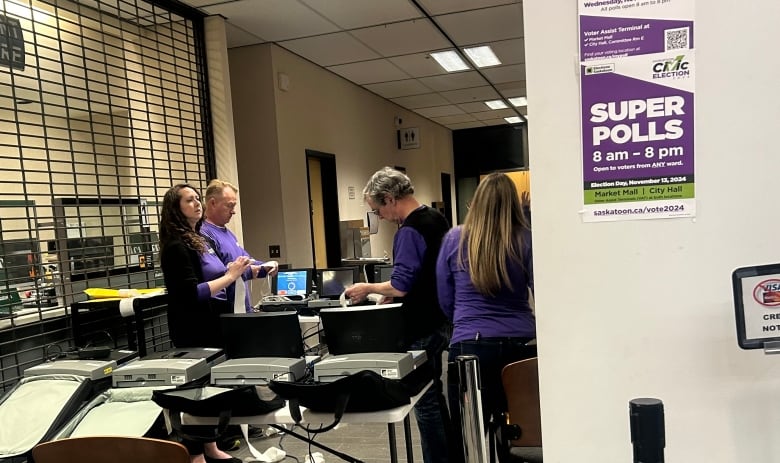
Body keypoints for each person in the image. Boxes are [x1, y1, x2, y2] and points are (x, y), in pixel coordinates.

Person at [344, 167, 454, 463]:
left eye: (377, 209)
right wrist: (386, 293)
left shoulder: (409, 231)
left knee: (424, 402)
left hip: (421, 325)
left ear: (390, 199)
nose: (378, 216)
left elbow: (402, 286)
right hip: (441, 318)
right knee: (435, 393)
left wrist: (367, 288)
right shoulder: (436, 218)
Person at [435, 173, 535, 462]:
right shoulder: (526, 238)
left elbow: (444, 298)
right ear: (512, 205)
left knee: (468, 433)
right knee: (522, 428)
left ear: (475, 202)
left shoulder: (455, 238)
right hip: (522, 347)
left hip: (470, 346)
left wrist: (465, 321)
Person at [159, 183, 250, 463]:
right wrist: (230, 276)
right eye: (189, 200)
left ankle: (210, 447)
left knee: (212, 390)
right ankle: (196, 455)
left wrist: (240, 271)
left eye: (198, 198)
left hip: (212, 323)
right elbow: (192, 292)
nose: (197, 204)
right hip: (193, 327)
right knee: (197, 393)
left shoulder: (199, 239)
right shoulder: (176, 246)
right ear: (175, 208)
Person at [201, 179, 278, 312]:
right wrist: (247, 270)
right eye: (229, 206)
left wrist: (267, 266)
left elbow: (246, 262)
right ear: (212, 203)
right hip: (225, 312)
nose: (233, 211)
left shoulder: (228, 233)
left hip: (242, 309)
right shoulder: (204, 234)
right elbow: (219, 273)